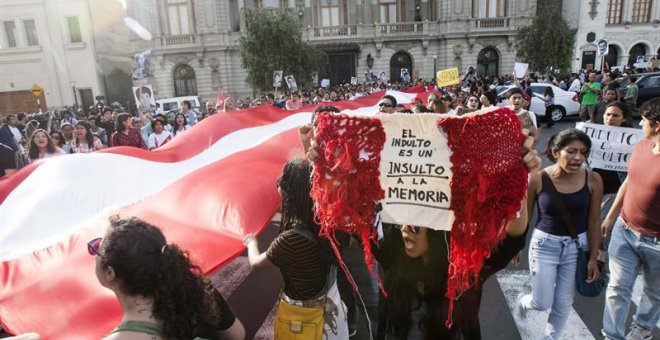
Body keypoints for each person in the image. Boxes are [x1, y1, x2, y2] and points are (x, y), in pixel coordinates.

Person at [89, 216, 245, 339]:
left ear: (110, 273)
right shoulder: (198, 292)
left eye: (97, 249)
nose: (95, 254)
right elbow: (238, 335)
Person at [514, 129, 603, 340]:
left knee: (563, 303)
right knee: (541, 302)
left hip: (577, 247)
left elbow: (594, 221)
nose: (578, 158)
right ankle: (522, 303)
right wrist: (516, 246)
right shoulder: (537, 179)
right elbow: (524, 217)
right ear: (556, 152)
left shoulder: (593, 179)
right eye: (571, 151)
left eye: (583, 152)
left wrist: (593, 257)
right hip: (544, 246)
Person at [244, 159, 349, 339]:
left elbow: (256, 263)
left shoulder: (290, 239)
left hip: (305, 325)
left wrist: (251, 243)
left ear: (289, 193)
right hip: (333, 320)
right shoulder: (327, 224)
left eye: (282, 183)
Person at [601, 98, 660, 340]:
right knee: (616, 287)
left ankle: (643, 328)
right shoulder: (641, 145)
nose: (640, 125)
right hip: (624, 230)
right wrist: (611, 216)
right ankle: (612, 336)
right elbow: (629, 181)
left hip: (656, 242)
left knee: (654, 292)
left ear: (657, 125)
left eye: (644, 121)